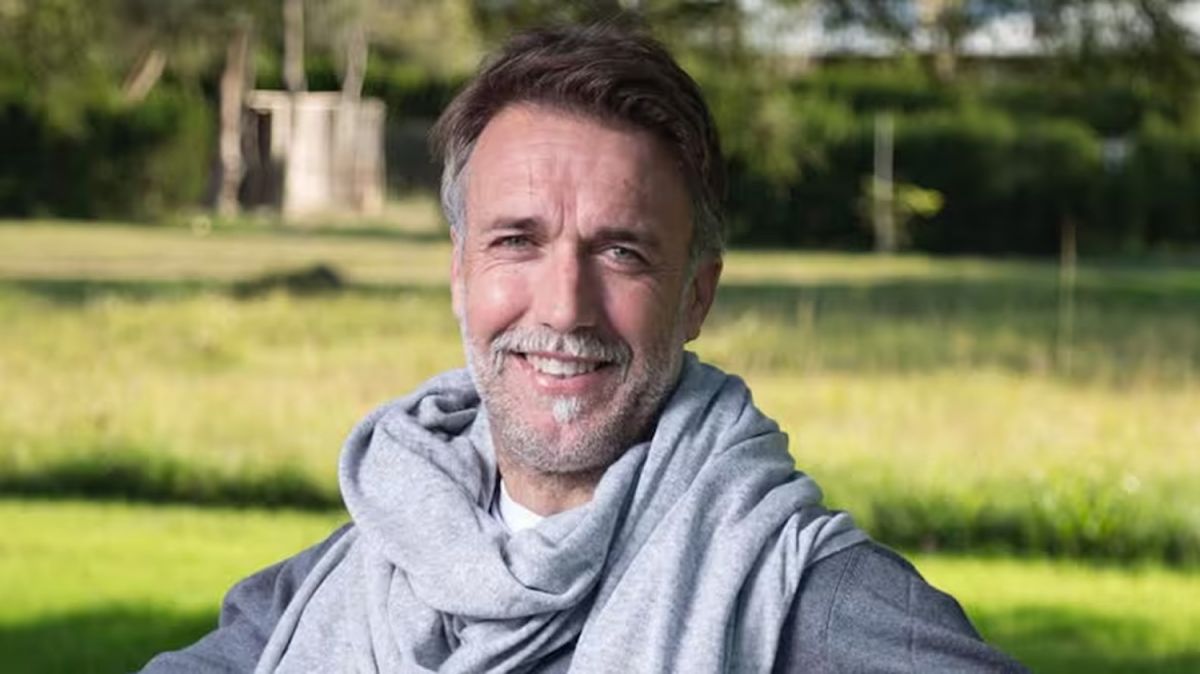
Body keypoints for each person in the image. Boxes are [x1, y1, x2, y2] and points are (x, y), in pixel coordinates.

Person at [142, 24, 1027, 673]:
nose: (564, 307)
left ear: (697, 295)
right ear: (459, 273)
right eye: (515, 242)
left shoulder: (814, 608)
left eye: (621, 252)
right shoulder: (347, 581)